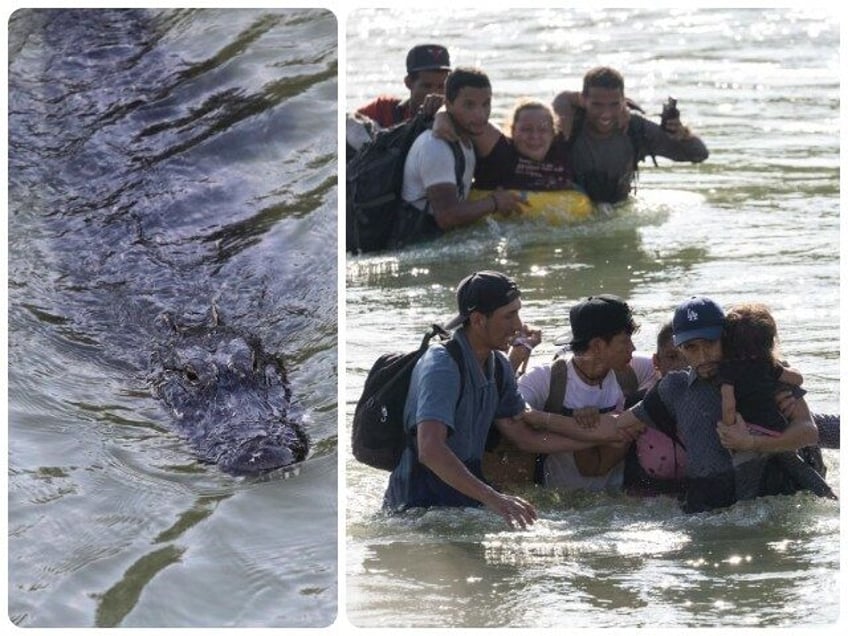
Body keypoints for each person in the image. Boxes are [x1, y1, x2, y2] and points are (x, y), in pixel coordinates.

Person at [383, 271, 635, 528]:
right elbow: (430, 450)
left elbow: (525, 438)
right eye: (509, 315)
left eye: (518, 312)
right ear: (479, 320)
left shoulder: (500, 365)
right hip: (415, 512)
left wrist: (595, 440)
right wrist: (495, 499)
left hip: (465, 505)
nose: (518, 325)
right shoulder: (441, 365)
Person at [611, 296, 821, 513]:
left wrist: (751, 443)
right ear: (680, 347)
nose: (702, 356)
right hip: (708, 507)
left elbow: (809, 431)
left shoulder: (762, 369)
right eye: (691, 347)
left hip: (776, 499)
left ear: (726, 338)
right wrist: (581, 418)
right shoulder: (675, 387)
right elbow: (622, 422)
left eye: (710, 344)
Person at [517, 295, 639, 493]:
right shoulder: (546, 378)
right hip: (558, 506)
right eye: (625, 341)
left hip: (615, 502)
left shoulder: (632, 372)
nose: (632, 348)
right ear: (598, 346)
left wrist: (545, 419)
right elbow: (518, 411)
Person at [394, 68, 525, 245]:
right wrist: (494, 202)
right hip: (414, 244)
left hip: (441, 241)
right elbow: (447, 217)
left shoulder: (468, 136)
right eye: (469, 105)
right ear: (448, 105)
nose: (480, 115)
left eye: (486, 104)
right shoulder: (436, 146)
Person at [552, 66, 709, 204]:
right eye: (597, 105)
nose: (606, 114)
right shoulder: (567, 123)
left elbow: (699, 154)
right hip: (570, 214)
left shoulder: (636, 129)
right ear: (583, 100)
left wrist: (682, 134)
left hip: (618, 212)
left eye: (614, 105)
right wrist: (563, 100)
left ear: (623, 101)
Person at [434, 98, 575, 191]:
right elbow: (461, 114)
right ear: (512, 131)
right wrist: (441, 116)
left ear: (553, 133)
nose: (535, 136)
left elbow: (565, 99)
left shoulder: (560, 149)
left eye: (543, 130)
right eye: (526, 129)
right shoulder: (500, 151)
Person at [356, 44, 451, 129]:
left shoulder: (456, 117)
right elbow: (349, 121)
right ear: (408, 83)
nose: (434, 93)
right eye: (427, 86)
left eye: (441, 86)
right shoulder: (385, 109)